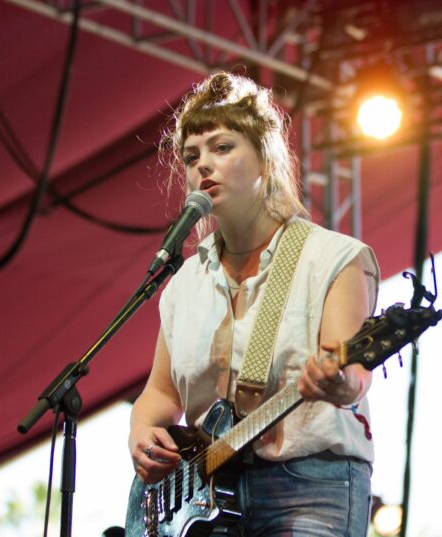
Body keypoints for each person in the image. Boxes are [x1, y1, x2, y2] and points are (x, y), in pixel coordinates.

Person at [128, 71, 380, 536]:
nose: (203, 165)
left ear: (265, 158)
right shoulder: (184, 284)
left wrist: (341, 382)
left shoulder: (332, 257)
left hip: (310, 483)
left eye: (222, 148)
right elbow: (160, 395)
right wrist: (141, 434)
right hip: (203, 497)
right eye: (192, 156)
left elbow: (353, 372)